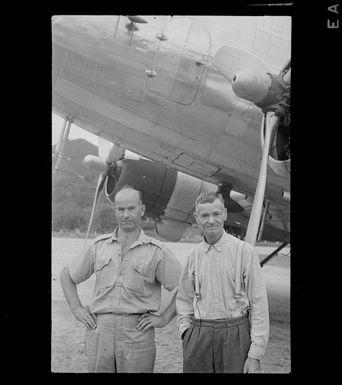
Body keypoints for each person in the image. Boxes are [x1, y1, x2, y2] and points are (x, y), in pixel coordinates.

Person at [60, 185, 182, 373]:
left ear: (141, 210)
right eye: (121, 209)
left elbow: (184, 286)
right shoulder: (98, 246)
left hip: (137, 334)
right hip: (100, 332)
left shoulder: (157, 251)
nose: (126, 215)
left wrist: (164, 318)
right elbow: (67, 275)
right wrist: (77, 309)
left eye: (131, 208)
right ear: (115, 211)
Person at [176, 191, 269, 373]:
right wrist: (186, 332)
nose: (211, 220)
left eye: (216, 214)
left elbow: (259, 303)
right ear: (197, 218)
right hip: (199, 335)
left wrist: (255, 354)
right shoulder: (193, 256)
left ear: (225, 214)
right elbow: (184, 299)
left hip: (235, 334)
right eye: (205, 215)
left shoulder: (244, 252)